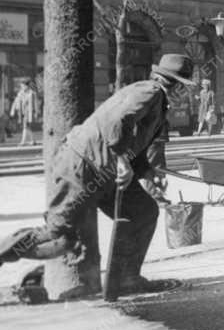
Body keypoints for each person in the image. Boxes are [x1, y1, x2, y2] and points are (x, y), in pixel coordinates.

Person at [0, 54, 197, 294]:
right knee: (58, 235)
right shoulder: (151, 93)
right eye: (185, 88)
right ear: (174, 85)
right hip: (82, 167)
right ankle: (4, 251)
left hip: (103, 168)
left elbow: (135, 143)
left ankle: (127, 279)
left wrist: (147, 171)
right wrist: (123, 159)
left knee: (143, 212)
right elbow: (117, 123)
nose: (186, 94)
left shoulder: (150, 94)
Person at [10, 77, 38, 146]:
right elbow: (16, 101)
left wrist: (37, 112)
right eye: (21, 86)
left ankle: (23, 142)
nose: (21, 87)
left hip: (29, 113)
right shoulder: (20, 93)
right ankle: (33, 141)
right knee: (28, 127)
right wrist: (13, 110)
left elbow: (36, 104)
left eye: (23, 86)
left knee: (25, 126)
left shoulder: (32, 93)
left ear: (27, 86)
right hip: (23, 112)